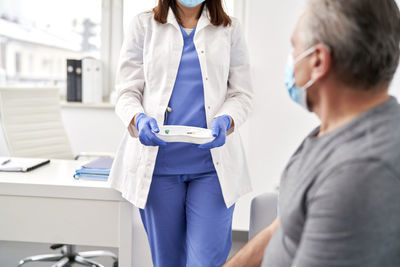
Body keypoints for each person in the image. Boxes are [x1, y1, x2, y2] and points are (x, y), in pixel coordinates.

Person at [224, 0, 400, 266]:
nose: (291, 59)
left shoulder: (361, 172)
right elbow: (283, 227)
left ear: (317, 61)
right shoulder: (333, 133)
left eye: (294, 47)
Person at [108, 0, 253, 266]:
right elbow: (127, 91)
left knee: (205, 261)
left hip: (212, 168)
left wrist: (226, 119)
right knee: (168, 261)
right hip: (158, 166)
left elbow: (241, 94)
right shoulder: (143, 25)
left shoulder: (230, 29)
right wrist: (138, 119)